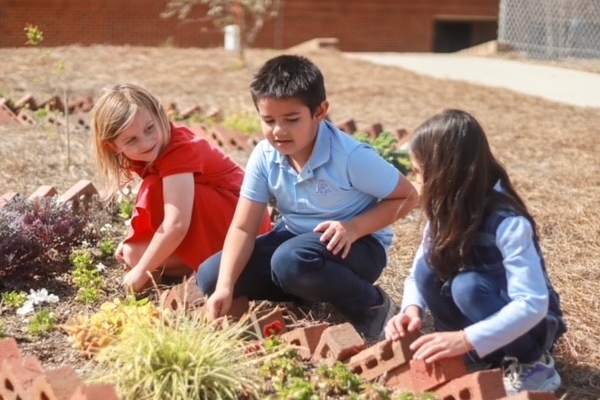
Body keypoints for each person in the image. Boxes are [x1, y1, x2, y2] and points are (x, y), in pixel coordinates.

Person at [196, 54, 419, 341]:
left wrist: (353, 228)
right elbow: (243, 228)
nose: (278, 131)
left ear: (320, 111)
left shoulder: (350, 157)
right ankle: (306, 291)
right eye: (268, 120)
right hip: (296, 245)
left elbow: (408, 197)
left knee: (290, 262)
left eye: (291, 119)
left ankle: (373, 306)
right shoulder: (265, 156)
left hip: (358, 246)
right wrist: (226, 286)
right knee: (211, 276)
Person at [384, 109, 567, 394]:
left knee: (467, 287)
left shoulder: (508, 222)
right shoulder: (444, 210)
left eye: (419, 172)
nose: (415, 180)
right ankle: (476, 356)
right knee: (427, 270)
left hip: (528, 327)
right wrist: (411, 309)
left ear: (447, 173)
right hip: (479, 319)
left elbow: (532, 304)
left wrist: (466, 338)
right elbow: (416, 273)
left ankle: (532, 363)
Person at [91, 83, 271, 292]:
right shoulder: (156, 149)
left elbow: (176, 225)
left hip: (243, 222)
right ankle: (198, 267)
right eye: (132, 140)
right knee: (134, 252)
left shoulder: (178, 150)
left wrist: (140, 272)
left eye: (149, 128)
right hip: (229, 218)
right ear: (113, 146)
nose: (146, 142)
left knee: (152, 192)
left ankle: (208, 267)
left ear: (159, 114)